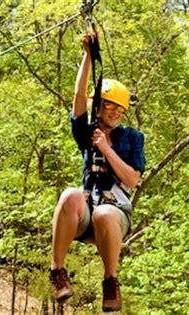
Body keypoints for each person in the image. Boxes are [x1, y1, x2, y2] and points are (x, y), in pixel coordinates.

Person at [49, 32, 146, 312]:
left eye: (119, 108)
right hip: (87, 211)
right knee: (69, 195)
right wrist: (88, 57)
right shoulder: (87, 132)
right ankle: (57, 271)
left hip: (115, 213)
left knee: (105, 213)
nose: (114, 112)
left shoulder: (132, 138)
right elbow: (78, 97)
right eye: (109, 106)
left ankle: (110, 281)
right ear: (99, 107)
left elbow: (131, 179)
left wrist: (106, 149)